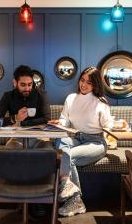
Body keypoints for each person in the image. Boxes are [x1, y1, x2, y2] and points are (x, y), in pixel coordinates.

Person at [49, 66, 115, 217]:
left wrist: (115, 125)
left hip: (96, 142)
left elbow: (108, 125)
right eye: (82, 80)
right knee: (60, 139)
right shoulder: (71, 98)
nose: (84, 85)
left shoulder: (100, 102)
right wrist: (58, 123)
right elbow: (65, 119)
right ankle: (71, 193)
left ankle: (74, 199)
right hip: (77, 137)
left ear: (96, 85)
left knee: (67, 156)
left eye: (89, 82)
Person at [0, 65, 51, 148]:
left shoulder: (41, 95)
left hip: (40, 137)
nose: (27, 88)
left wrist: (21, 123)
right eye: (23, 85)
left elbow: (47, 119)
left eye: (30, 84)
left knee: (47, 152)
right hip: (17, 138)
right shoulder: (8, 96)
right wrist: (15, 118)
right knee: (10, 151)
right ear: (15, 83)